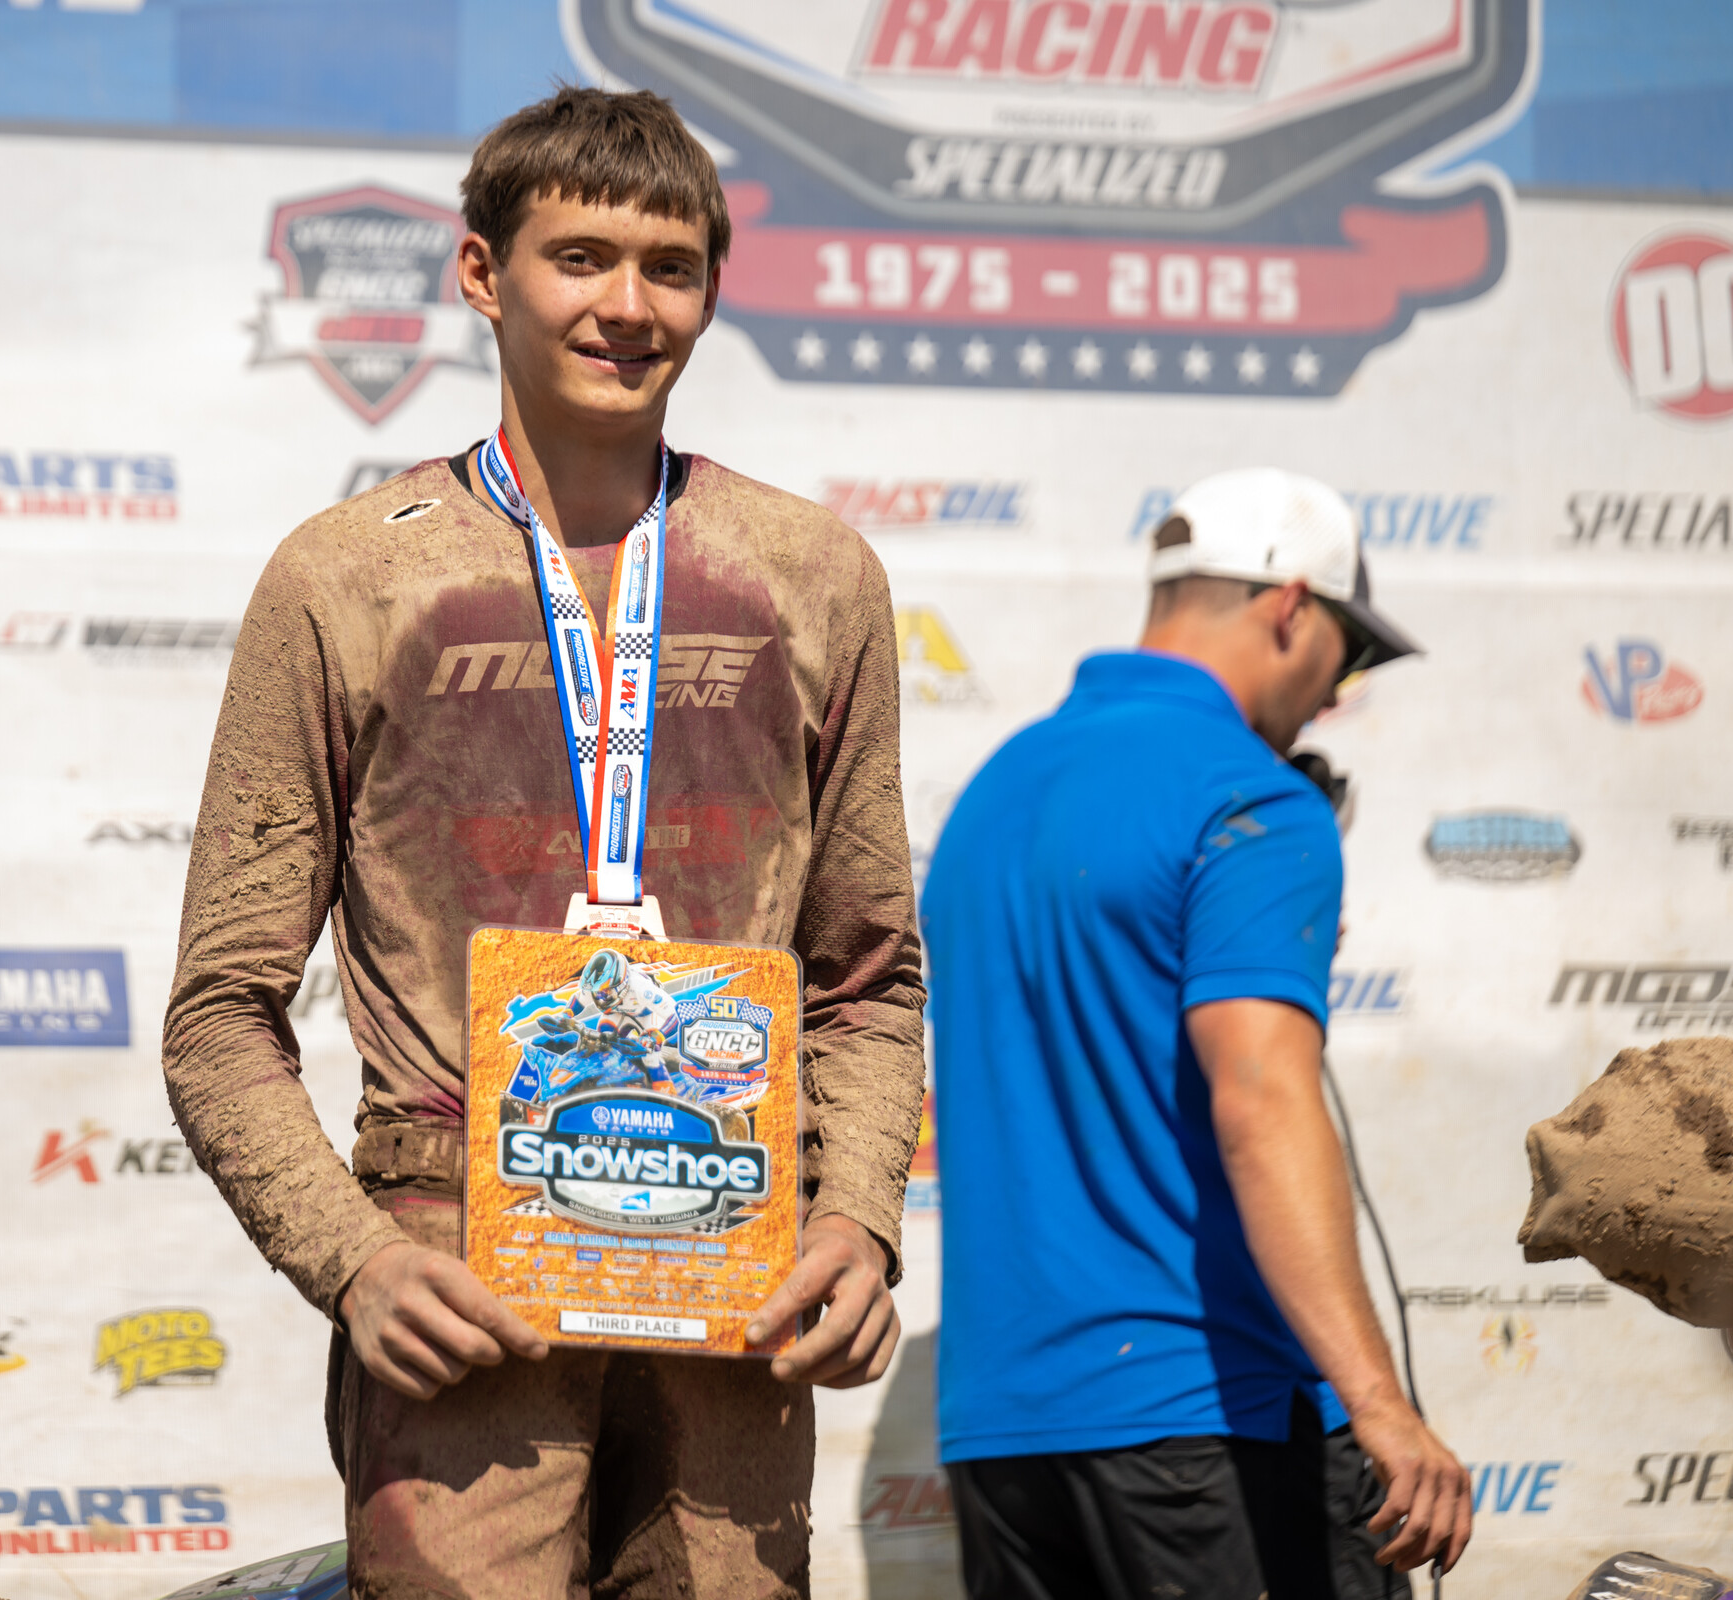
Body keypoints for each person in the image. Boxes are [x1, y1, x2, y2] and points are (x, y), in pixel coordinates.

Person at [162, 86, 926, 1598]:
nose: (627, 306)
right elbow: (219, 1015)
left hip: (738, 1262)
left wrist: (858, 1225)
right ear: (479, 274)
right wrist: (354, 1259)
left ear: (714, 290)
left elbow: (868, 983)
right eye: (579, 258)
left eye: (671, 265)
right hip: (458, 1266)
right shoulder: (346, 579)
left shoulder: (813, 575)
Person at [921, 469, 1474, 1600]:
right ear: (1290, 607)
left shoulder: (992, 794)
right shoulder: (1252, 800)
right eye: (1344, 656)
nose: (1331, 697)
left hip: (1004, 1437)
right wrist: (1377, 1400)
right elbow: (1264, 1105)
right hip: (1207, 1424)